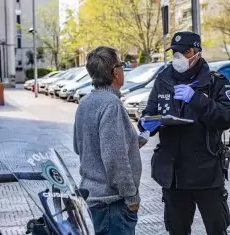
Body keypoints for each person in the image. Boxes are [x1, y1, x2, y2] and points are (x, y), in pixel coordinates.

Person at [138, 31, 230, 235]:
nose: (178, 57)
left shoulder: (215, 82)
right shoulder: (164, 79)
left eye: (183, 52)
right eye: (174, 52)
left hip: (206, 172)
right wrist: (147, 123)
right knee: (177, 230)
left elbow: (229, 116)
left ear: (196, 53)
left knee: (217, 229)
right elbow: (150, 110)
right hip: (173, 174)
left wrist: (198, 100)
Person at [73, 46, 142, 235]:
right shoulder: (111, 104)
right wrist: (131, 196)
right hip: (113, 204)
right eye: (121, 65)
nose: (123, 69)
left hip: (93, 199)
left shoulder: (85, 102)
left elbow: (79, 146)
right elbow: (114, 158)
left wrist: (133, 141)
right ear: (115, 72)